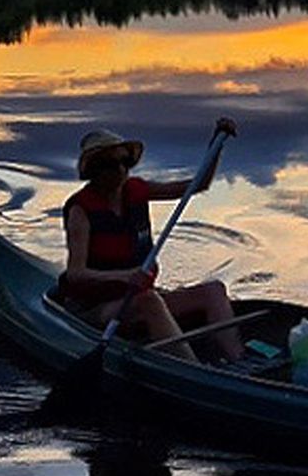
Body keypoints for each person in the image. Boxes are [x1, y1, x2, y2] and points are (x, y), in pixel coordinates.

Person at [60, 119, 242, 363]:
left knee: (214, 291)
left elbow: (198, 185)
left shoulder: (136, 190)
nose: (120, 170)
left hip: (137, 299)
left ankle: (237, 363)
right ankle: (193, 370)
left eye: (124, 162)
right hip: (96, 308)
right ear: (95, 169)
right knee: (149, 300)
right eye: (111, 164)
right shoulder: (81, 211)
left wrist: (216, 145)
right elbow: (76, 274)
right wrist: (125, 276)